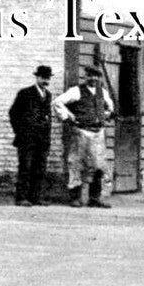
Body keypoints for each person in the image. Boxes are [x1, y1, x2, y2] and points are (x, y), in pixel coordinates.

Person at [53, 65, 115, 209]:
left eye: (96, 76)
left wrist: (105, 115)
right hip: (81, 132)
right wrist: (68, 117)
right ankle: (75, 198)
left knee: (98, 165)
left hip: (98, 133)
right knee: (76, 164)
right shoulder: (76, 91)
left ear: (99, 78)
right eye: (90, 75)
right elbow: (57, 102)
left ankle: (95, 198)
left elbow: (110, 108)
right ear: (85, 76)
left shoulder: (102, 92)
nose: (93, 78)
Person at [8, 64, 54, 206]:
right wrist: (21, 132)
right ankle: (21, 198)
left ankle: (35, 197)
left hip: (42, 139)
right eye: (43, 78)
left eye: (47, 78)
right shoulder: (25, 93)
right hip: (27, 138)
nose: (45, 81)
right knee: (25, 168)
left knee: (39, 168)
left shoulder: (48, 95)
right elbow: (13, 113)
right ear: (37, 77)